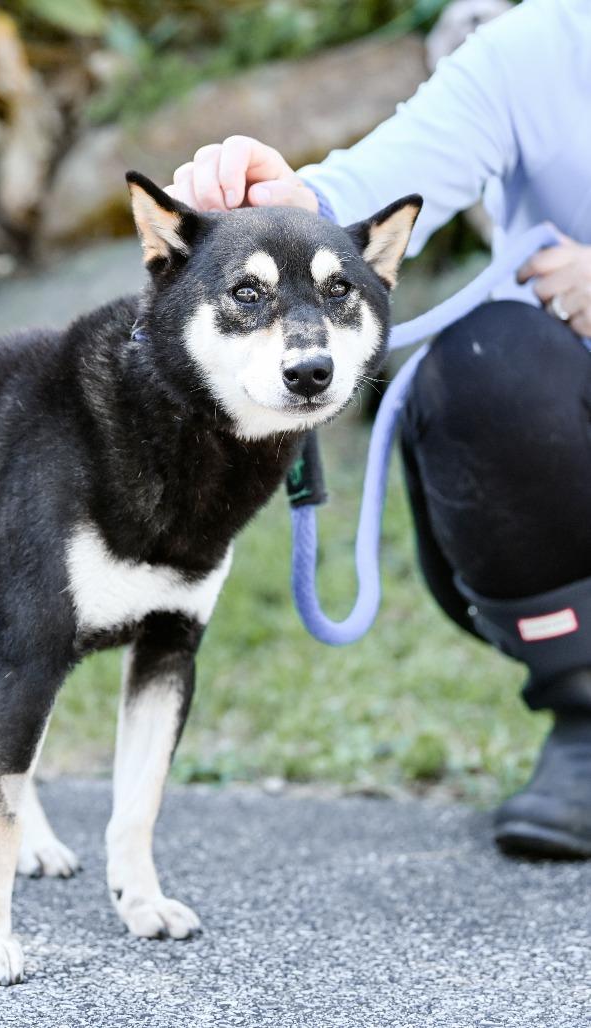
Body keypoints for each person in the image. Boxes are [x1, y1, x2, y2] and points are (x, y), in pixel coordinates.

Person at [165, 0, 591, 858]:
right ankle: (585, 710)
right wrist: (285, 207)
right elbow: (373, 186)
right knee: (484, 362)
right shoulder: (540, 48)